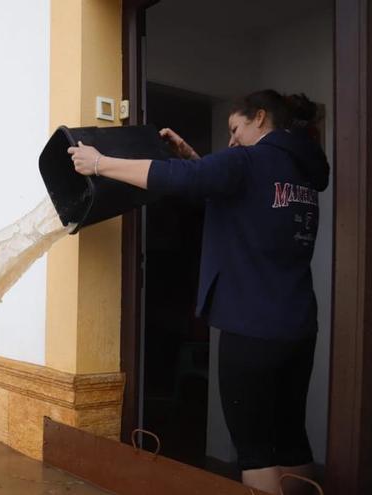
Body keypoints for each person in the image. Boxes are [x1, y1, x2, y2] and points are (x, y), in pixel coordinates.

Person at [68, 90, 329, 494]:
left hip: (251, 329)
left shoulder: (249, 161)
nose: (231, 139)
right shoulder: (300, 169)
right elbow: (229, 188)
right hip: (298, 327)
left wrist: (99, 163)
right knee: (291, 437)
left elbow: (180, 181)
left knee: (256, 451)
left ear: (259, 118)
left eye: (235, 128)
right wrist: (194, 158)